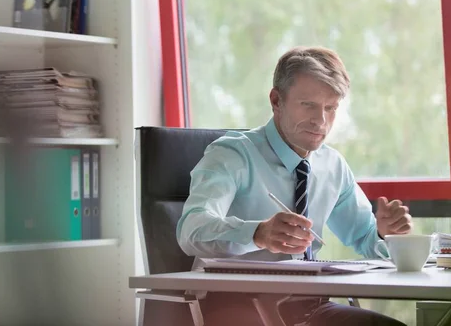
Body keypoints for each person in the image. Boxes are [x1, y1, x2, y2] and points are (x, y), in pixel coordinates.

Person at [176, 46, 412, 326]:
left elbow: (366, 239)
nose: (320, 121)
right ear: (276, 100)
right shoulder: (231, 155)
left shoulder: (332, 164)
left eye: (330, 108)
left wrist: (386, 234)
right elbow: (192, 230)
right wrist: (258, 233)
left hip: (311, 307)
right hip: (237, 306)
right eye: (308, 105)